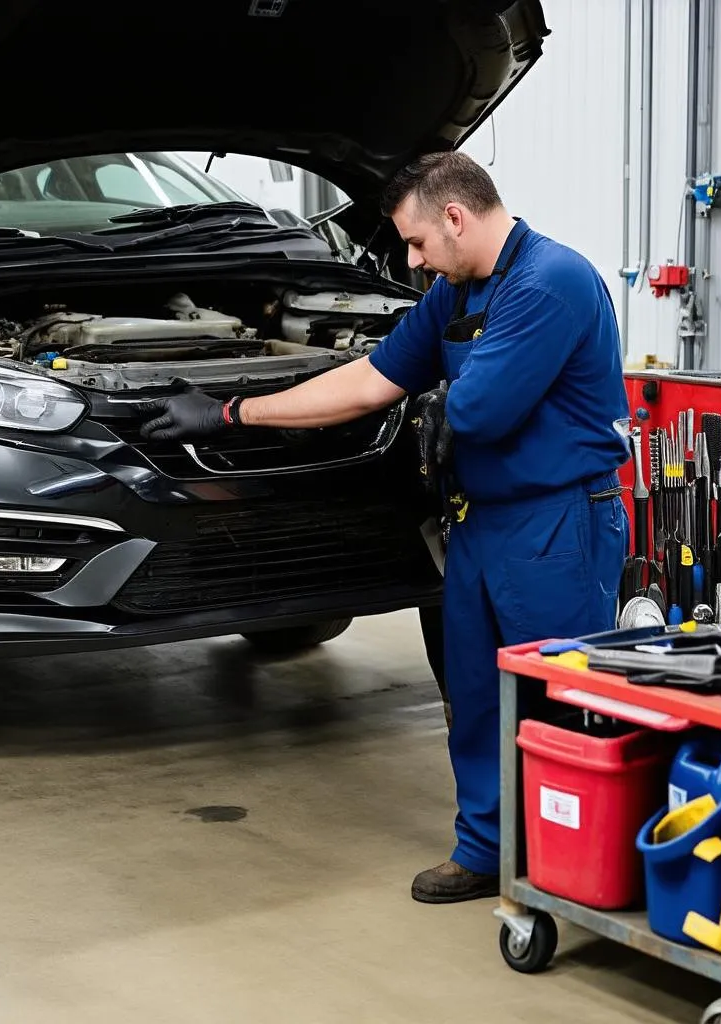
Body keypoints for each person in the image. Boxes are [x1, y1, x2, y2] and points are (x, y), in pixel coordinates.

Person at [137, 152, 631, 904]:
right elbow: (370, 377)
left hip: (557, 525)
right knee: (471, 694)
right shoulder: (456, 290)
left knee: (558, 700)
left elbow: (477, 412)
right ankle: (485, 849)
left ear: (456, 218)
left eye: (416, 242)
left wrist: (427, 409)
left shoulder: (552, 282)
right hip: (479, 521)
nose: (410, 260)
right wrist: (233, 413)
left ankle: (568, 860)